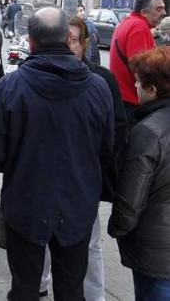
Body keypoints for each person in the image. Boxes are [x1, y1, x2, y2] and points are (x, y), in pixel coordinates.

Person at [0, 6, 114, 300]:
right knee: (70, 290)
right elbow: (106, 148)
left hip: (26, 204)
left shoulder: (10, 87)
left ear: (31, 42)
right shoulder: (98, 87)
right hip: (77, 205)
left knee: (25, 288)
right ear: (67, 38)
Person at [37, 16, 129, 299]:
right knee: (41, 238)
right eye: (64, 39)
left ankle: (94, 295)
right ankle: (39, 283)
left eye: (74, 40)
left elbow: (116, 129)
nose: (68, 46)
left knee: (89, 243)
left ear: (85, 44)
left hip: (83, 181)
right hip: (45, 179)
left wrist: (96, 170)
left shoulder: (101, 79)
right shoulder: (42, 75)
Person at [108, 46, 170, 300]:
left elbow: (130, 200)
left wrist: (117, 228)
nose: (134, 85)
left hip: (156, 250)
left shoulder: (147, 133)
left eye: (138, 81)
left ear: (152, 89)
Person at [110, 0, 166, 122]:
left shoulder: (129, 22)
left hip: (124, 99)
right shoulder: (139, 27)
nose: (163, 13)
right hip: (132, 102)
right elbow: (142, 69)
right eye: (159, 9)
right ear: (144, 12)